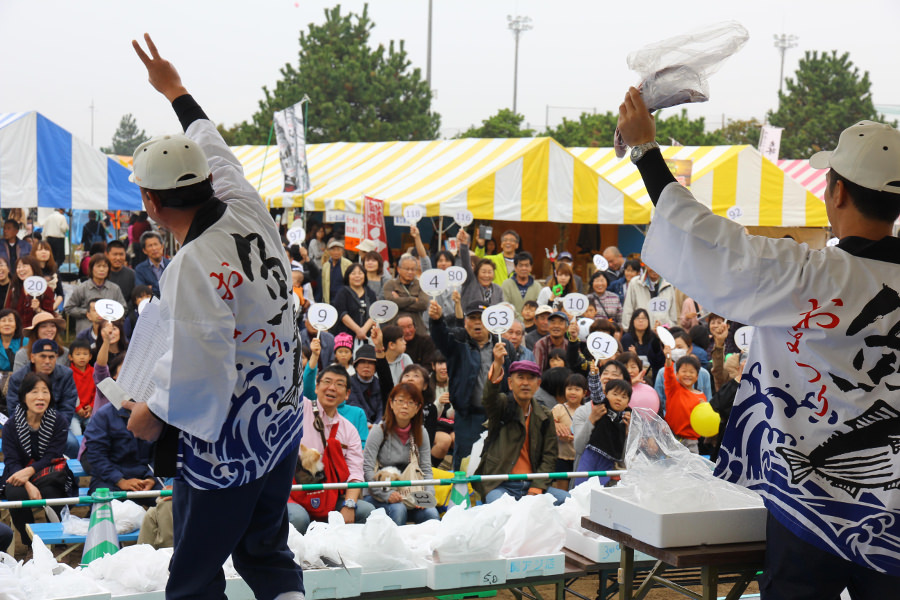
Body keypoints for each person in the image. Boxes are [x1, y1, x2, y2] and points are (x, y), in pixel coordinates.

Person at [620, 90, 900, 594]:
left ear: (836, 192)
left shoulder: (812, 274)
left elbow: (713, 243)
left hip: (809, 505)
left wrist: (645, 152)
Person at [125, 35, 303, 600]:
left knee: (196, 578)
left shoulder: (192, 263)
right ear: (205, 180)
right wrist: (175, 90)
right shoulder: (244, 200)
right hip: (280, 417)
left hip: (232, 446)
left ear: (151, 204)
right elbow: (209, 139)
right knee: (267, 554)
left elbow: (199, 368)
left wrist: (148, 414)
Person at [288, 365, 374, 534]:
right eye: (327, 381)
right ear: (316, 387)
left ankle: (344, 556)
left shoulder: (349, 430)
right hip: (294, 493)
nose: (332, 388)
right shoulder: (300, 409)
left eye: (340, 384)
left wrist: (350, 504)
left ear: (347, 394)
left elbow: (356, 473)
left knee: (367, 511)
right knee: (298, 518)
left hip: (331, 496)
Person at [429, 299, 513, 470]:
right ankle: (463, 497)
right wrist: (437, 320)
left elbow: (511, 379)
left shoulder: (504, 345)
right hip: (467, 416)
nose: (477, 322)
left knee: (495, 463)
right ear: (465, 321)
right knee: (465, 464)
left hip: (497, 416)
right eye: (472, 317)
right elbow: (440, 337)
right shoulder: (458, 343)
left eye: (481, 318)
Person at [475, 355, 568, 505]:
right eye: (520, 378)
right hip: (500, 484)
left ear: (538, 384)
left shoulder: (544, 414)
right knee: (504, 509)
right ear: (510, 383)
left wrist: (536, 489)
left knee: (568, 501)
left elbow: (549, 456)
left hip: (533, 485)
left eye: (531, 378)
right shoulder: (502, 405)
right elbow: (489, 399)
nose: (525, 383)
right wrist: (498, 363)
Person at [0, 372, 76, 554]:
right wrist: (27, 482)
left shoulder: (58, 421)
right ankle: (31, 543)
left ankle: (58, 542)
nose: (40, 397)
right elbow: (11, 460)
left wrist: (29, 472)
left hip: (50, 472)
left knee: (52, 490)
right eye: (34, 392)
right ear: (24, 396)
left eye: (45, 391)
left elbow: (53, 455)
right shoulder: (11, 425)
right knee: (15, 492)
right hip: (17, 473)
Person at [363, 383, 439, 525]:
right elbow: (367, 469)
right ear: (391, 403)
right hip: (378, 494)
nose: (405, 406)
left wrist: (427, 496)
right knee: (399, 510)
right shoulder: (379, 430)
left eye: (411, 402)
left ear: (417, 409)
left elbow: (427, 470)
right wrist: (386, 495)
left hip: (410, 494)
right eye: (401, 401)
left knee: (431, 513)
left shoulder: (421, 433)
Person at [7, 339, 80, 458]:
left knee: (72, 444)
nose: (47, 361)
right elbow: (14, 408)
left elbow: (68, 406)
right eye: (43, 356)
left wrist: (54, 427)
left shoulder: (66, 375)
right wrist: (32, 428)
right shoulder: (18, 378)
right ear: (32, 357)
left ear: (56, 357)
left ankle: (69, 476)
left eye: (51, 357)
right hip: (25, 425)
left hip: (56, 424)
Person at [573, 372, 632, 486]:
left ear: (628, 403)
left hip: (609, 459)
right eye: (615, 394)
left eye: (624, 397)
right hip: (592, 452)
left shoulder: (628, 417)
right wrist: (594, 375)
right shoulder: (603, 405)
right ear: (606, 394)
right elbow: (595, 391)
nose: (619, 399)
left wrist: (629, 430)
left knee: (600, 487)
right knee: (581, 485)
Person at [65, 253, 127, 334]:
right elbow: (69, 308)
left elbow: (123, 309)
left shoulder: (115, 289)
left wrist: (110, 315)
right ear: (91, 269)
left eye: (105, 266)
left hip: (109, 330)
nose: (102, 269)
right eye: (98, 266)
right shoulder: (82, 288)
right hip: (86, 330)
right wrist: (88, 313)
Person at [551, 373, 588, 486]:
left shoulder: (587, 411)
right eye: (569, 388)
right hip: (561, 457)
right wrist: (557, 431)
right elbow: (549, 426)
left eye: (577, 389)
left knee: (578, 487)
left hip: (580, 458)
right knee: (562, 486)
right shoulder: (558, 408)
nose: (572, 392)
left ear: (584, 393)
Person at [382, 254, 430, 333]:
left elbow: (423, 304)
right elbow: (391, 304)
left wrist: (399, 300)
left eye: (413, 269)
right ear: (398, 269)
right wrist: (413, 299)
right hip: (395, 328)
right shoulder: (390, 284)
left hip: (417, 328)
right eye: (407, 269)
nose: (410, 272)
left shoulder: (421, 285)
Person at [457, 229, 503, 308]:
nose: (486, 275)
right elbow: (466, 262)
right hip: (470, 319)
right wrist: (464, 244)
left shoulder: (497, 289)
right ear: (477, 272)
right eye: (484, 272)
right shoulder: (470, 282)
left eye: (490, 272)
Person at [5, 256, 55, 329]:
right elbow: (7, 311)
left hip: (36, 332)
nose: (21, 269)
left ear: (34, 268)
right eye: (18, 267)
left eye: (24, 266)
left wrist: (38, 309)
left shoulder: (45, 290)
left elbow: (50, 317)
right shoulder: (14, 290)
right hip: (17, 332)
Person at [331, 263, 376, 341]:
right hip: (346, 337)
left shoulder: (370, 293)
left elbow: (374, 313)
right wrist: (358, 330)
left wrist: (363, 331)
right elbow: (343, 314)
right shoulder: (342, 293)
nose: (357, 276)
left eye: (360, 273)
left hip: (367, 336)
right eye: (353, 273)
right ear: (348, 276)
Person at [620, 308, 665, 379]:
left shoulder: (653, 336)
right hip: (633, 376)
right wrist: (634, 357)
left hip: (652, 375)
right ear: (632, 321)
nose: (641, 321)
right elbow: (625, 361)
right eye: (638, 318)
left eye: (644, 318)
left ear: (648, 321)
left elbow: (659, 360)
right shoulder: (627, 338)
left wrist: (658, 338)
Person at [346, 344, 383, 426]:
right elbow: (353, 404)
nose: (366, 366)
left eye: (370, 362)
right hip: (356, 425)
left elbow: (382, 408)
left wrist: (378, 424)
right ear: (356, 365)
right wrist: (366, 423)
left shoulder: (380, 384)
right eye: (362, 362)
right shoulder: (348, 383)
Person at [501, 251, 542, 319]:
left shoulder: (537, 286)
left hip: (532, 325)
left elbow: (539, 308)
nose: (524, 268)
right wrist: (521, 320)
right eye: (520, 265)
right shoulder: (506, 284)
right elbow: (505, 306)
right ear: (515, 267)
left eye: (526, 265)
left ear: (531, 267)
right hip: (512, 325)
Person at [30, 240, 64, 311]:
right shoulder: (30, 271)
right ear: (34, 253)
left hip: (50, 309)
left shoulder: (54, 271)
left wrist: (52, 308)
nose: (44, 252)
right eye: (40, 249)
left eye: (46, 249)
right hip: (31, 310)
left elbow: (60, 294)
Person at [133, 231, 169, 297]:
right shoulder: (140, 269)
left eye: (156, 244)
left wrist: (152, 288)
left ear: (162, 246)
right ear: (144, 250)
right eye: (150, 246)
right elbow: (142, 292)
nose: (154, 248)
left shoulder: (171, 265)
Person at [106, 240, 136, 305]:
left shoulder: (132, 274)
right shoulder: (102, 274)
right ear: (107, 255)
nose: (118, 258)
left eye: (121, 254)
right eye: (115, 254)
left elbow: (134, 298)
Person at [321, 238, 351, 304]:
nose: (336, 252)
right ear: (329, 252)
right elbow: (323, 284)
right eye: (333, 250)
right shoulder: (326, 265)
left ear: (342, 252)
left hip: (344, 299)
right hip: (329, 299)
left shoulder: (348, 264)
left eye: (338, 250)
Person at [0, 308, 23, 373]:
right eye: (3, 321)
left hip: (20, 379)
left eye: (10, 320)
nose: (7, 324)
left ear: (16, 325)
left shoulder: (25, 342)